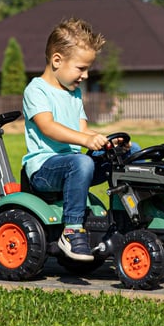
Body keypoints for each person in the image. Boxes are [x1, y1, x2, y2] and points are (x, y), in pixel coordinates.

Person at [22, 17, 111, 262]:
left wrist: (106, 141)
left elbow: (83, 129)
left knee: (127, 153)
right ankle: (71, 231)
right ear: (57, 60)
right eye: (81, 68)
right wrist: (85, 141)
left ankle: (122, 222)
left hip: (73, 165)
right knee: (80, 162)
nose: (86, 75)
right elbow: (48, 127)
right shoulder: (36, 90)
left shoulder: (74, 93)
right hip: (44, 169)